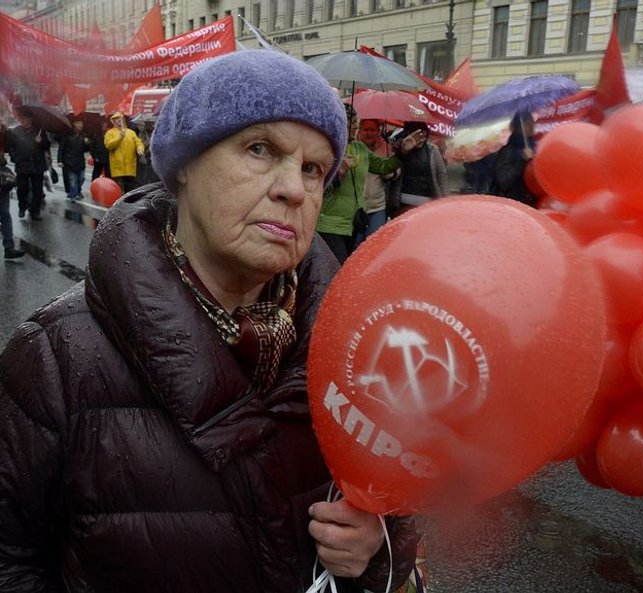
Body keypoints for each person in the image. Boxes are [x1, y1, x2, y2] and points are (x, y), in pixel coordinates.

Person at [0, 50, 418, 592]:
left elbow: (397, 506)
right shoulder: (55, 357)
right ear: (185, 167)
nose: (294, 188)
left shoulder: (356, 348)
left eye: (314, 168)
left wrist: (377, 545)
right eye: (260, 149)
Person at [316, 105, 422, 264]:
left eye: (355, 124)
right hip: (329, 225)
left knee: (347, 265)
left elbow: (383, 166)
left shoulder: (360, 148)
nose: (354, 128)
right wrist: (339, 171)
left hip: (352, 223)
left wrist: (403, 151)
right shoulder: (327, 148)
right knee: (337, 269)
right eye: (350, 124)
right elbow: (318, 187)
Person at [355, 117, 399, 245]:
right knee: (355, 245)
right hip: (357, 208)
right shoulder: (353, 147)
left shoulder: (386, 148)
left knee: (373, 243)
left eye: (373, 130)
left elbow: (397, 171)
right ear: (360, 131)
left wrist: (390, 174)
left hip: (378, 206)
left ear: (378, 131)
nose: (369, 133)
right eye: (366, 129)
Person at [2, 107, 50, 221]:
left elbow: (47, 146)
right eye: (21, 118)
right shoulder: (16, 131)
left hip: (37, 165)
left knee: (38, 190)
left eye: (26, 118)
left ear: (31, 119)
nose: (23, 120)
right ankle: (22, 207)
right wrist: (15, 158)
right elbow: (9, 147)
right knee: (22, 189)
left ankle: (35, 211)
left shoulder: (39, 131)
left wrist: (41, 142)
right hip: (22, 165)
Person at [390, 121, 448, 215]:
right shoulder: (398, 148)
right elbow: (390, 173)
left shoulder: (433, 150)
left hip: (427, 204)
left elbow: (441, 175)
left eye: (424, 136)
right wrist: (402, 151)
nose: (421, 139)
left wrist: (445, 200)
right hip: (402, 204)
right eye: (418, 136)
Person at [489, 110, 538, 206]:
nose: (531, 127)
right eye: (526, 124)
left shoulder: (534, 148)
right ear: (517, 127)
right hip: (510, 205)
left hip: (530, 204)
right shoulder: (508, 151)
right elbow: (504, 183)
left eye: (532, 123)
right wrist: (522, 161)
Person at [103, 111, 145, 193]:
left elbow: (138, 142)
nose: (119, 120)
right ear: (113, 121)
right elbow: (109, 146)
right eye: (116, 119)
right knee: (119, 190)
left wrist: (140, 148)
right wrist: (119, 137)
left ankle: (127, 204)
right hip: (117, 168)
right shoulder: (109, 133)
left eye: (121, 118)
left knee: (129, 191)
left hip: (130, 167)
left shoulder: (131, 133)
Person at [0, 126, 25, 259]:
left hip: (1, 180)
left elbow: (13, 144)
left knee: (5, 213)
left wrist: (5, 131)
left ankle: (8, 247)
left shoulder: (3, 133)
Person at [58, 115, 90, 201]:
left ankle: (78, 191)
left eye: (81, 123)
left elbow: (86, 150)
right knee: (73, 180)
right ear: (74, 124)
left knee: (81, 178)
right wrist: (60, 160)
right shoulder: (67, 135)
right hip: (69, 162)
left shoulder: (84, 135)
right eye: (79, 123)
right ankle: (73, 194)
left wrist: (87, 143)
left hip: (80, 161)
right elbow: (61, 148)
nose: (81, 125)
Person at [88, 116, 111, 182]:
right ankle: (94, 184)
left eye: (105, 125)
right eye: (103, 125)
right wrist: (95, 157)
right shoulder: (96, 135)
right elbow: (92, 147)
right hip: (98, 159)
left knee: (108, 175)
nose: (104, 127)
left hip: (107, 159)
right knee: (96, 174)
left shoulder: (109, 134)